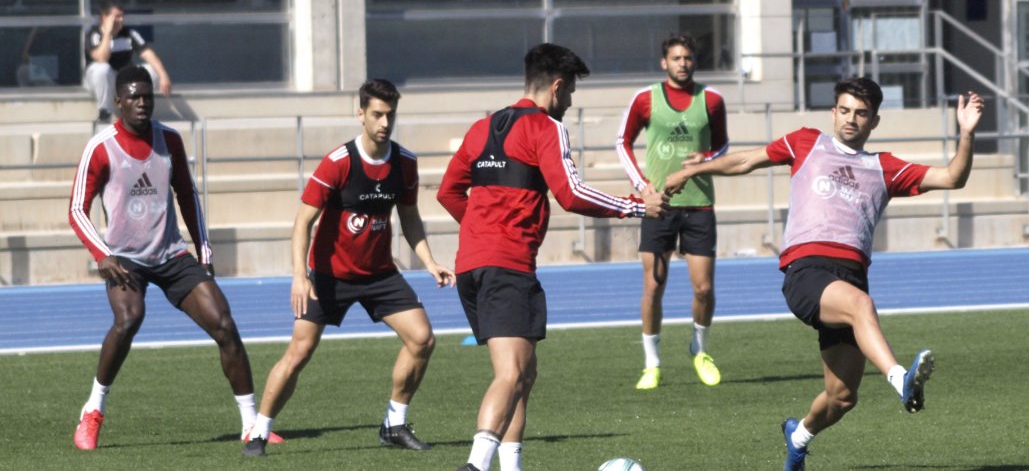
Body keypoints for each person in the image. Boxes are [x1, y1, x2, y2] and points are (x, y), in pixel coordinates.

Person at [664, 77, 984, 471]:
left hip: (849, 279)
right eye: (845, 110)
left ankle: (797, 438)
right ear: (834, 112)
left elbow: (953, 177)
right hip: (806, 272)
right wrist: (692, 171)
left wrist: (966, 133)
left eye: (861, 114)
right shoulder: (806, 142)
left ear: (874, 122)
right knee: (861, 305)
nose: (851, 119)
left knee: (842, 398)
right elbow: (746, 159)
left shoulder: (883, 167)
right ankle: (900, 378)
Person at [437, 43, 666, 471]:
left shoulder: (481, 128)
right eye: (572, 93)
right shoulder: (545, 127)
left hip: (473, 265)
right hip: (507, 265)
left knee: (524, 374)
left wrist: (480, 230)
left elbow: (447, 191)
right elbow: (571, 194)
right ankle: (474, 466)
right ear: (557, 87)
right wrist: (637, 206)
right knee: (511, 374)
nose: (571, 102)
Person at [242, 78, 455, 457]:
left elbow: (409, 217)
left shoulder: (404, 163)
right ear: (360, 114)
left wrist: (429, 262)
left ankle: (394, 423)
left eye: (390, 115)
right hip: (329, 276)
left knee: (422, 339)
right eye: (377, 114)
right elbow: (302, 222)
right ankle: (259, 431)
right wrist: (299, 275)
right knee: (300, 352)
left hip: (379, 274)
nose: (384, 123)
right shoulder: (338, 162)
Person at [67, 65, 266, 451]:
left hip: (171, 254)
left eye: (148, 96)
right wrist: (102, 253)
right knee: (129, 319)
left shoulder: (170, 140)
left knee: (224, 323)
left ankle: (251, 424)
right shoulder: (100, 146)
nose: (143, 102)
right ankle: (92, 410)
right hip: (125, 258)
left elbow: (187, 196)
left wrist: (203, 251)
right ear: (118, 101)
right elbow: (77, 209)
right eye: (135, 97)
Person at [615, 33, 729, 390]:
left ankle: (700, 348)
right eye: (676, 58)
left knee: (704, 289)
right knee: (653, 286)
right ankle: (652, 363)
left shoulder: (711, 99)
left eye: (689, 58)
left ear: (695, 62)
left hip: (699, 204)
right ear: (664, 62)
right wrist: (642, 186)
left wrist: (706, 158)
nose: (683, 63)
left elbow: (722, 144)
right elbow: (622, 141)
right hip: (658, 207)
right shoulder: (645, 99)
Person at [84, 2, 173, 123]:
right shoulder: (94, 35)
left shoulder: (129, 34)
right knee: (102, 69)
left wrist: (163, 76)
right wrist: (108, 34)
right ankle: (105, 111)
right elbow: (101, 58)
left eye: (122, 16)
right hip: (99, 82)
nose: (120, 20)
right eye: (116, 16)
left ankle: (138, 105)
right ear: (104, 17)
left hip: (121, 80)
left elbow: (148, 54)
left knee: (152, 70)